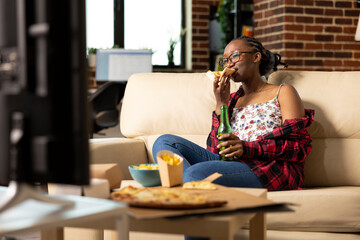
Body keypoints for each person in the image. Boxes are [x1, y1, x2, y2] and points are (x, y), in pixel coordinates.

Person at [152, 35, 314, 240]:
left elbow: (298, 148)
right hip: (231, 164)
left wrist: (248, 149)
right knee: (164, 142)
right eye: (225, 60)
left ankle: (189, 199)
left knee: (197, 173)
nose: (229, 63)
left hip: (269, 168)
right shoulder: (233, 100)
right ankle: (189, 200)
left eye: (234, 56)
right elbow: (214, 150)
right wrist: (221, 104)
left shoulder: (283, 92)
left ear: (256, 57)